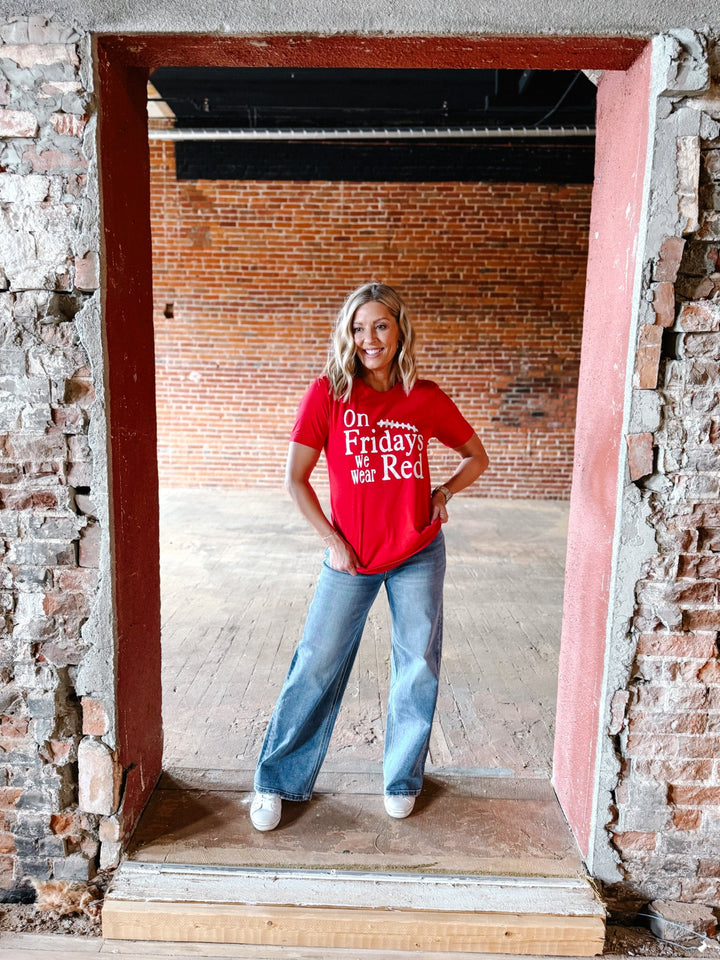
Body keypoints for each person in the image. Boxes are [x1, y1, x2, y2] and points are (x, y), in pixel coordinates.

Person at [250, 282, 489, 831]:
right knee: (315, 663)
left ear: (399, 329)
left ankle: (402, 778)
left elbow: (476, 456)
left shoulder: (424, 397)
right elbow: (295, 480)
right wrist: (332, 542)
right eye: (358, 328)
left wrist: (444, 492)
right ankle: (275, 780)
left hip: (418, 551)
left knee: (417, 664)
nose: (369, 338)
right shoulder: (328, 394)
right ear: (347, 334)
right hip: (350, 558)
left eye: (380, 325)